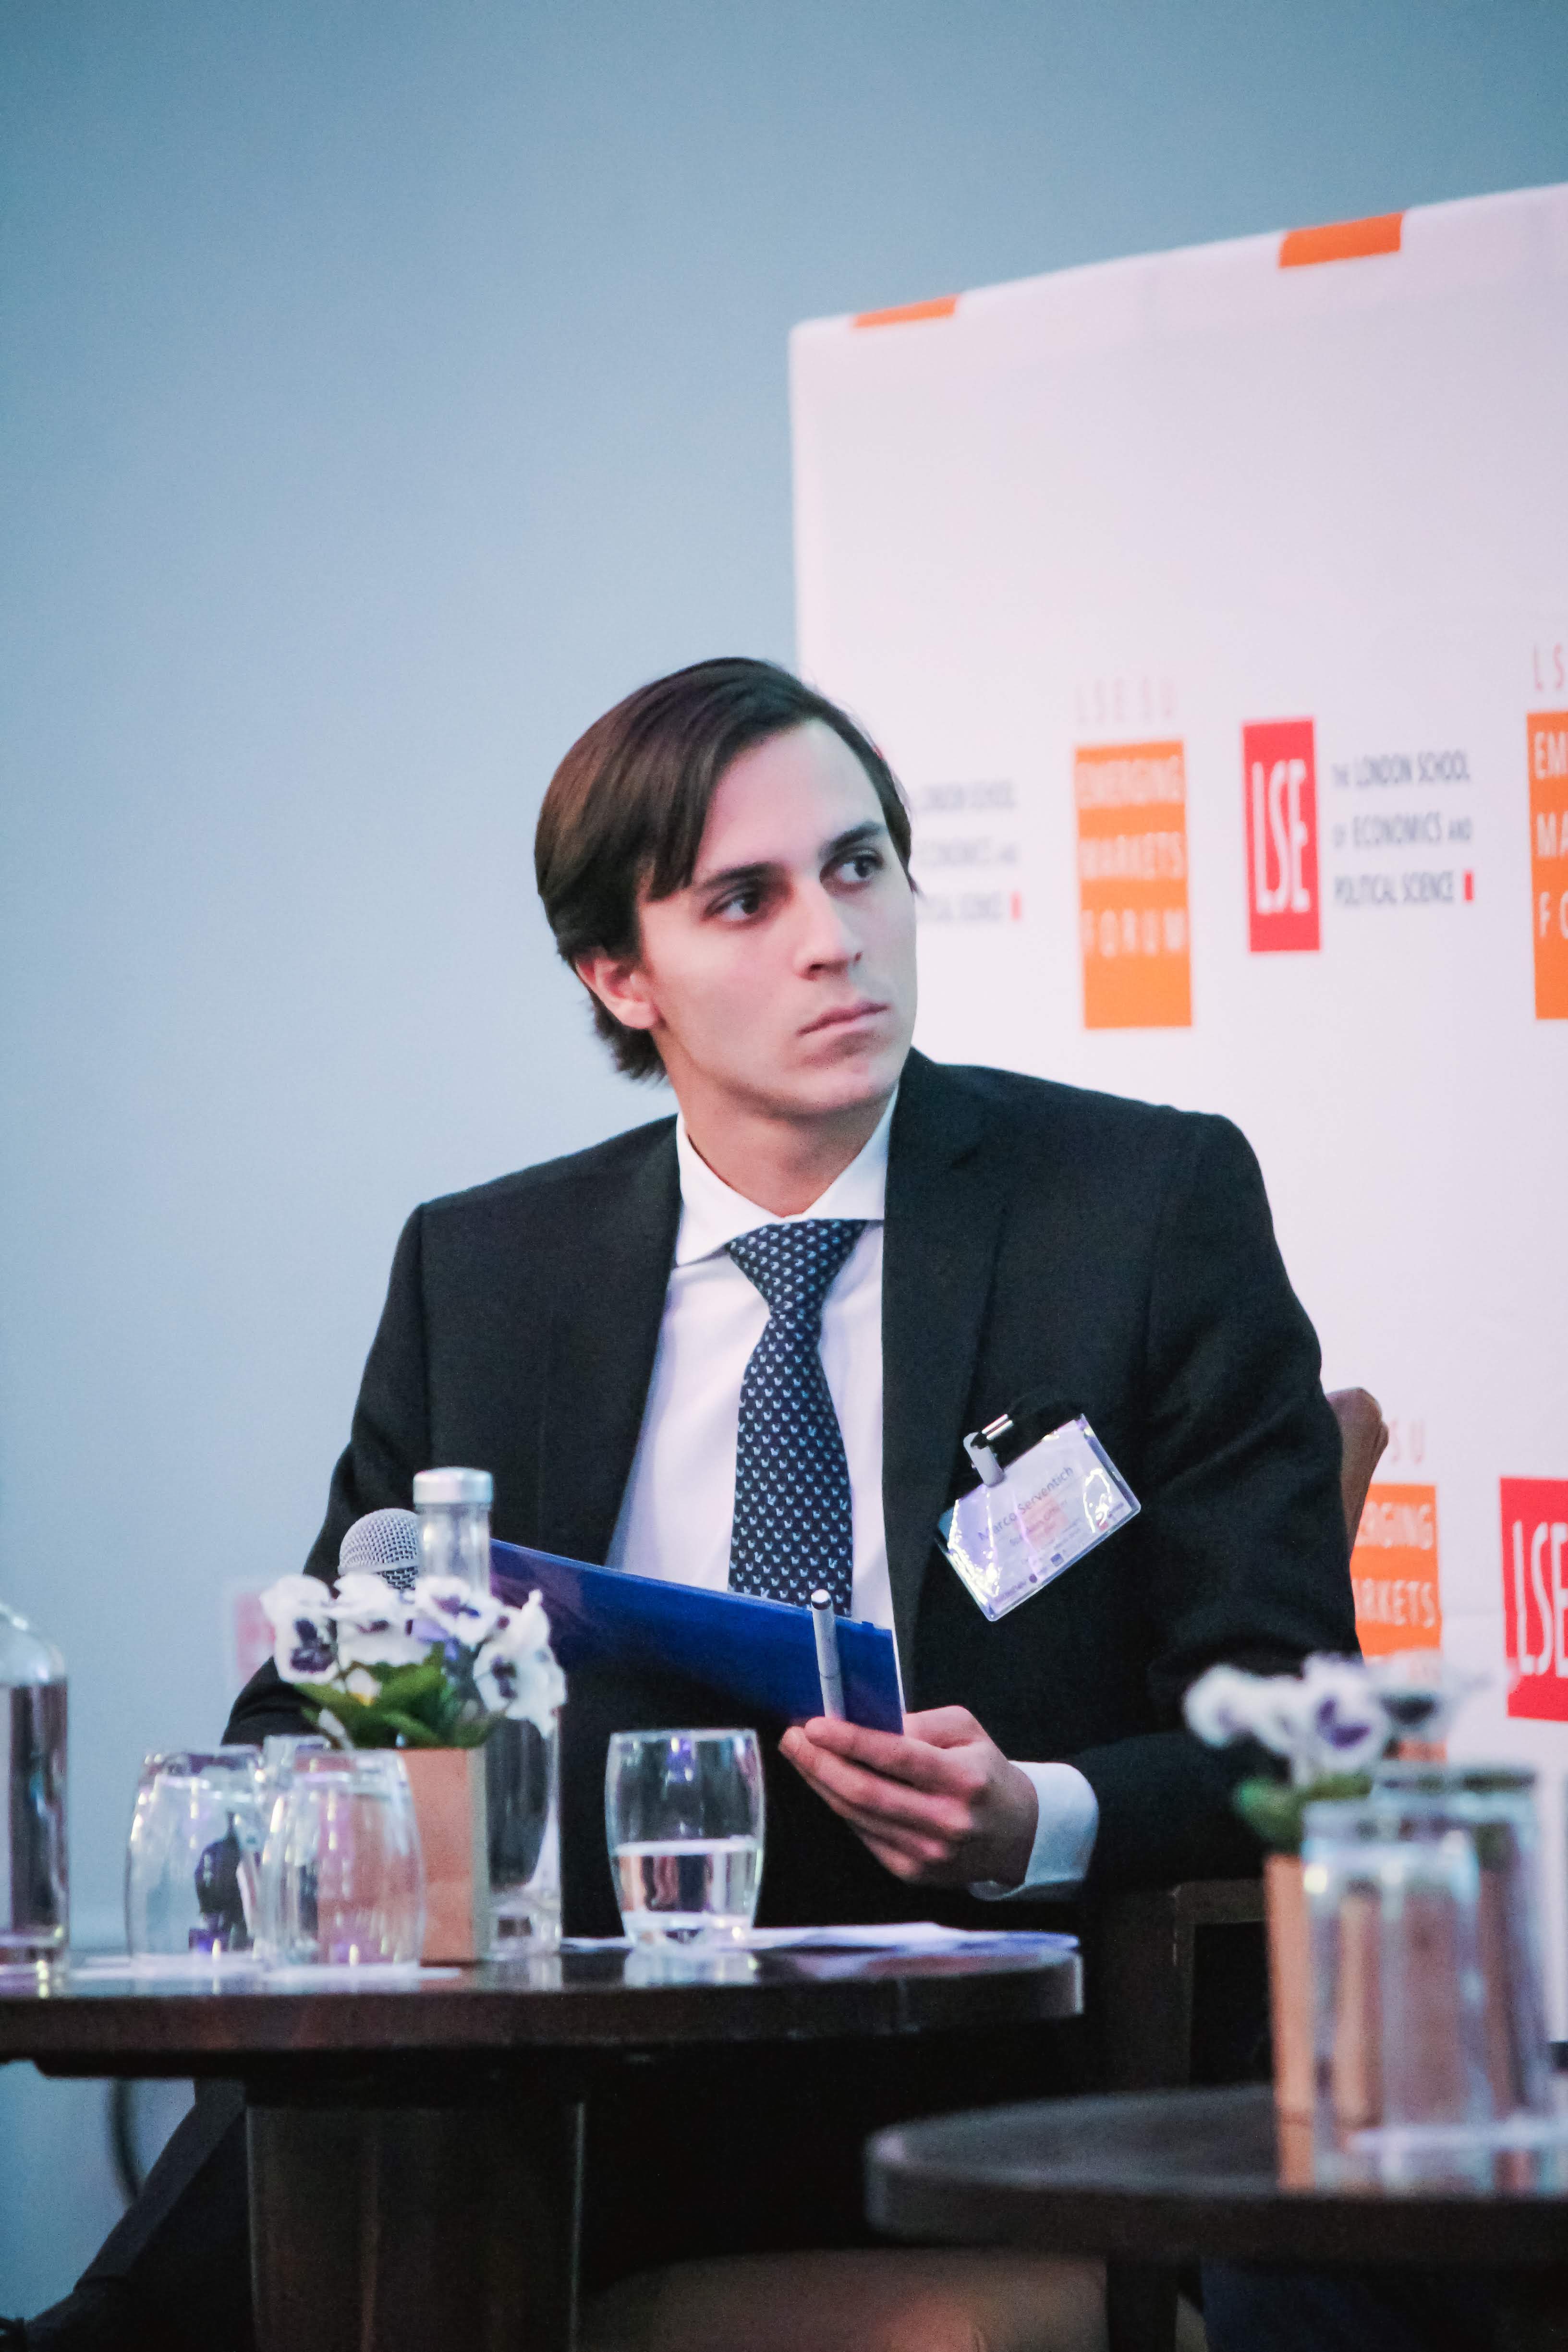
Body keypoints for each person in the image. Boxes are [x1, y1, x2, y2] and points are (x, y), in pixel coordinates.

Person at [25, 657, 1354, 2352]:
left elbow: (1296, 1722)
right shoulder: (487, 1271)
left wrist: (1036, 1813)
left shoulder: (1139, 1207)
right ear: (617, 971)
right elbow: (309, 1705)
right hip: (572, 2052)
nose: (834, 938)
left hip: (970, 2038)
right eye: (746, 899)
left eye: (859, 866)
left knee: (430, 2105)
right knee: (389, 2060)